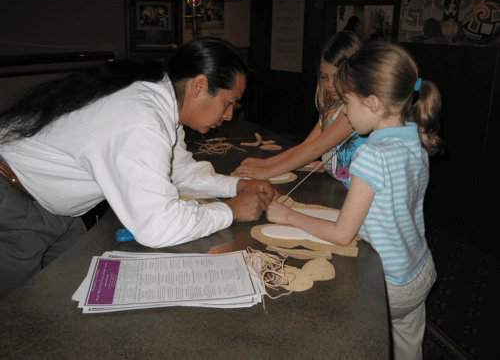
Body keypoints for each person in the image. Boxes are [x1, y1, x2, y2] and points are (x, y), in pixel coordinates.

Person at [0, 37, 279, 298]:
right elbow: (156, 227)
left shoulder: (161, 98)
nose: (230, 115)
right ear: (199, 86)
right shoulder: (143, 120)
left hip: (49, 205)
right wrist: (230, 210)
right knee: (18, 315)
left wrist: (237, 185)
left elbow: (176, 169)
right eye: (228, 103)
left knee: (70, 293)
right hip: (13, 204)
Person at [266, 41, 444, 360]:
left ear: (373, 103)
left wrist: (287, 216)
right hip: (421, 270)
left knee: (334, 329)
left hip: (389, 283)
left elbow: (341, 234)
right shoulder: (415, 137)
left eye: (347, 102)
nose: (345, 112)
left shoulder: (371, 155)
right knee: (407, 348)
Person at [233, 31, 367, 189]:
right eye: (324, 77)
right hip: (337, 185)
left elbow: (315, 150)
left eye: (336, 78)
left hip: (355, 191)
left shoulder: (353, 112)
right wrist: (264, 163)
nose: (330, 85)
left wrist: (267, 172)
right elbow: (307, 145)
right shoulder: (334, 105)